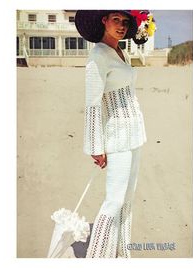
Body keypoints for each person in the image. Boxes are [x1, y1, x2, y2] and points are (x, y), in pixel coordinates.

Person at [75, 10, 148, 258]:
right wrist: (96, 146)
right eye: (116, 19)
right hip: (116, 136)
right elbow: (93, 102)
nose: (121, 26)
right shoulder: (98, 55)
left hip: (135, 133)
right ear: (104, 20)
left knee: (128, 198)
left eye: (125, 22)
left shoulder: (121, 52)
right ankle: (98, 256)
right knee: (115, 200)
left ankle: (120, 252)